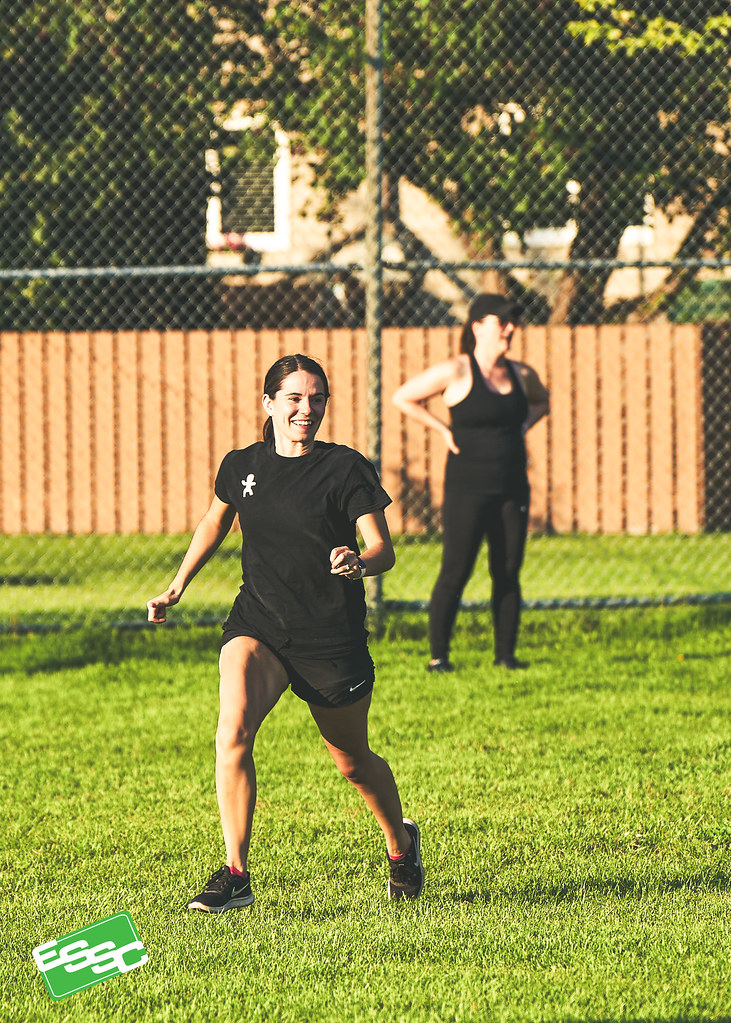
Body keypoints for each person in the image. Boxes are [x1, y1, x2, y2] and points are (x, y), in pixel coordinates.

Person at [147, 354, 423, 911]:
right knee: (232, 733)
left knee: (353, 762)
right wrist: (177, 585)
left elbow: (382, 549)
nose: (306, 409)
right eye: (294, 398)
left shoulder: (345, 468)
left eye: (316, 398)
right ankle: (236, 873)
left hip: (330, 638)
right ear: (269, 403)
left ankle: (400, 845)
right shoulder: (242, 465)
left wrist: (359, 562)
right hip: (259, 624)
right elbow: (214, 521)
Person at [392, 294, 549, 672]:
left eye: (514, 322)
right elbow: (403, 397)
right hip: (467, 489)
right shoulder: (456, 371)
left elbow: (542, 402)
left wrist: (524, 425)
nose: (511, 328)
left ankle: (506, 656)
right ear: (478, 327)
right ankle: (438, 657)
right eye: (503, 321)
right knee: (456, 570)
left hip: (512, 487)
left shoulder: (520, 374)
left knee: (507, 570)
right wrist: (442, 429)